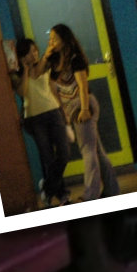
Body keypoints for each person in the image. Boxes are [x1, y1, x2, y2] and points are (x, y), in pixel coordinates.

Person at [46, 23, 118, 200]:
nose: (51, 41)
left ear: (64, 39)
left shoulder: (75, 58)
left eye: (55, 38)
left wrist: (85, 109)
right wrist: (46, 55)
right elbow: (47, 81)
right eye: (50, 38)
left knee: (88, 150)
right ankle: (112, 190)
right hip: (72, 108)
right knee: (96, 150)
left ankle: (90, 195)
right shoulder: (55, 61)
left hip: (83, 106)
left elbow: (82, 85)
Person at [9, 37, 71, 207]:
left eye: (35, 50)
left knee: (64, 153)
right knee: (48, 158)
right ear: (22, 56)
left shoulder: (43, 65)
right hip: (34, 119)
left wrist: (63, 112)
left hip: (53, 113)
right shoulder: (17, 74)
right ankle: (63, 195)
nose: (34, 54)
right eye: (29, 52)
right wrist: (25, 70)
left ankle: (48, 187)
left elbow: (51, 87)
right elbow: (22, 92)